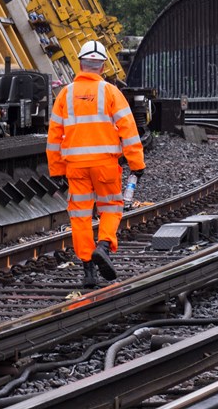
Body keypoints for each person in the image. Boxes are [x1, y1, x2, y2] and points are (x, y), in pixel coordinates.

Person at [46, 39, 146, 289]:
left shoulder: (65, 95)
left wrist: (56, 169)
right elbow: (129, 130)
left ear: (80, 64)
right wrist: (137, 163)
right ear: (102, 67)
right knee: (111, 207)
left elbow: (54, 136)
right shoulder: (111, 93)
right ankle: (103, 246)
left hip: (75, 167)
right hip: (105, 165)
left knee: (79, 217)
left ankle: (88, 270)